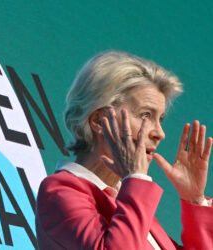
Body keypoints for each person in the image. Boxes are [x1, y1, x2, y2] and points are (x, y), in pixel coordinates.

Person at [35, 51, 213, 249]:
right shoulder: (60, 192)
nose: (160, 133)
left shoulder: (127, 200)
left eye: (160, 119)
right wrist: (136, 178)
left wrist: (194, 199)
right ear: (98, 121)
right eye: (145, 115)